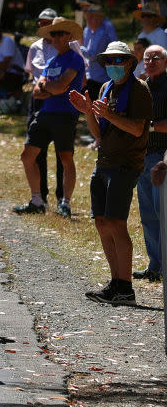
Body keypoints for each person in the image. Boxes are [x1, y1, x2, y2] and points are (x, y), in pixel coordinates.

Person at [69, 41, 151, 306]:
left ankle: (126, 288)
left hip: (125, 165)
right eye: (110, 61)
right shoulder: (105, 89)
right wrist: (87, 111)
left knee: (117, 224)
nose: (114, 65)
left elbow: (138, 129)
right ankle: (115, 283)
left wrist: (110, 115)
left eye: (119, 60)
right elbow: (97, 133)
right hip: (103, 163)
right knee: (102, 222)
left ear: (129, 62)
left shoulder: (139, 90)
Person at [15, 17, 85, 216]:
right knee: (27, 156)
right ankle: (37, 200)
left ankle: (65, 203)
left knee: (65, 158)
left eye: (59, 33)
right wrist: (50, 87)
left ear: (69, 36)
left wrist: (49, 86)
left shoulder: (75, 59)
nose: (54, 37)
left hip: (66, 114)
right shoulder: (52, 61)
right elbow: (37, 91)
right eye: (52, 34)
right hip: (45, 113)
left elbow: (62, 85)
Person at [136, 44, 167, 282]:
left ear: (165, 62)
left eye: (156, 58)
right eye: (147, 58)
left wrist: (147, 126)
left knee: (162, 212)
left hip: (162, 158)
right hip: (142, 156)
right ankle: (155, 265)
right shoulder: (141, 86)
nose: (151, 61)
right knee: (147, 214)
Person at [80, 5, 117, 100]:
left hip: (99, 78)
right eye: (88, 17)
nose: (87, 20)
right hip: (92, 75)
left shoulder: (102, 35)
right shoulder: (89, 31)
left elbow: (92, 56)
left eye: (91, 17)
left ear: (98, 19)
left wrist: (78, 48)